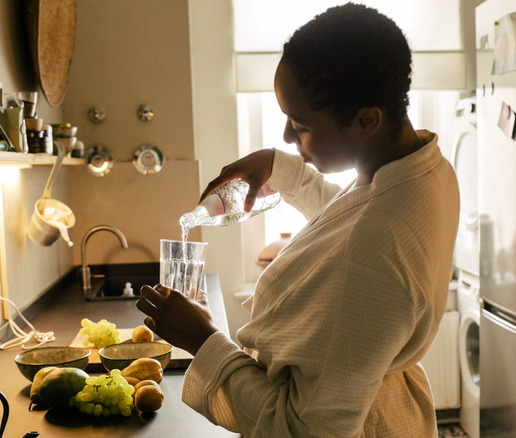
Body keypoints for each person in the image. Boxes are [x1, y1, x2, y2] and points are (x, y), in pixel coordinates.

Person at [136, 3, 459, 437]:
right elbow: (347, 216)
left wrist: (203, 341)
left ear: (366, 120)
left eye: (298, 124)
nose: (287, 135)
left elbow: (304, 430)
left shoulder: (377, 252)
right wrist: (279, 165)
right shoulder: (423, 169)